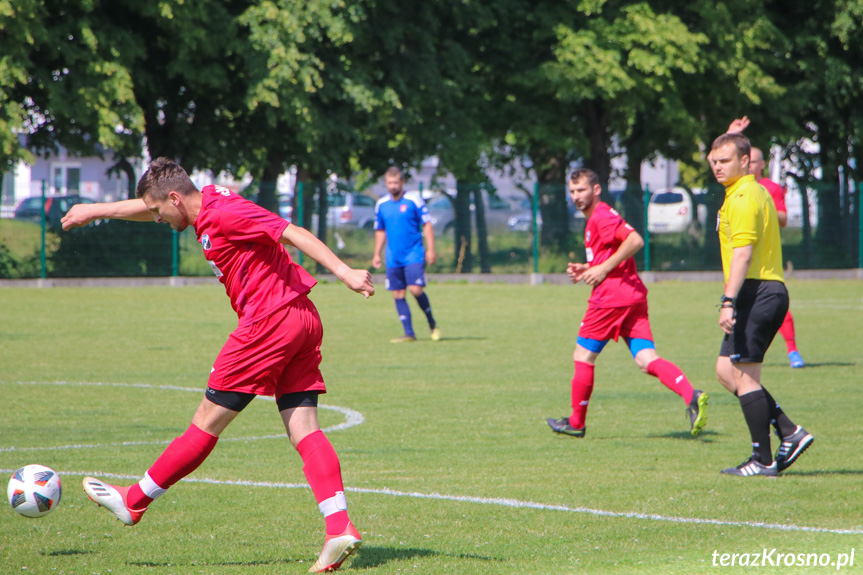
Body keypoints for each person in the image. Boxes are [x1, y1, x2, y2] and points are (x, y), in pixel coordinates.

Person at [60, 158, 374, 572]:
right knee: (305, 428)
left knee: (206, 421)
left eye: (158, 212)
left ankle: (133, 501)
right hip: (300, 318)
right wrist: (94, 211)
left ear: (175, 198)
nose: (155, 219)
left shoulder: (224, 212)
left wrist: (344, 272)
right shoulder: (200, 203)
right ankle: (339, 528)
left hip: (269, 322)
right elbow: (145, 205)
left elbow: (290, 231)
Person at [546, 168, 709, 439]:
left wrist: (601, 270)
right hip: (633, 297)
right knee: (647, 360)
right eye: (572, 191)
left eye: (582, 190)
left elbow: (635, 240)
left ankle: (576, 422)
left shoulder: (601, 215)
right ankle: (691, 394)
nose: (576, 196)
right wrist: (589, 267)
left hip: (611, 299)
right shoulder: (598, 218)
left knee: (583, 356)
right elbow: (612, 253)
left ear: (596, 190)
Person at [709, 133, 814, 476]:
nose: (716, 166)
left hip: (757, 291)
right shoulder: (752, 190)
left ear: (745, 161)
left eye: (724, 161)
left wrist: (728, 300)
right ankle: (789, 430)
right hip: (761, 290)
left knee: (745, 375)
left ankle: (763, 459)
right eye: (714, 161)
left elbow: (743, 253)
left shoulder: (742, 198)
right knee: (727, 372)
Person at [726, 117, 806, 368]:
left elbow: (783, 219)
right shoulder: (737, 187)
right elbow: (716, 158)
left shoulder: (768, 189)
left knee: (771, 303)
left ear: (758, 163)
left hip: (763, 258)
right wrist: (729, 135)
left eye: (753, 160)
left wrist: (763, 208)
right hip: (743, 261)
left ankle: (792, 350)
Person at [372, 166, 440, 343]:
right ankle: (409, 333)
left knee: (415, 289)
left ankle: (432, 322)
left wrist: (431, 249)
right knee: (398, 294)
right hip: (393, 256)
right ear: (386, 184)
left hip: (414, 253)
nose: (393, 186)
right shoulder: (382, 204)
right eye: (390, 182)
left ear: (402, 182)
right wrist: (377, 254)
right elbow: (380, 230)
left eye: (396, 182)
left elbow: (427, 225)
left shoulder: (413, 200)